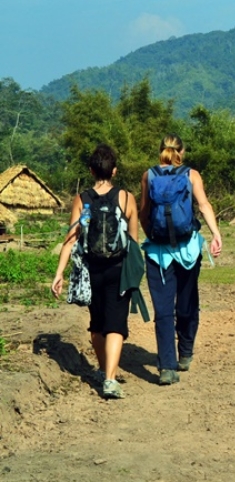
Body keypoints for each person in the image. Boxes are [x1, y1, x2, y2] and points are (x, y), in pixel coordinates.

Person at [51, 144, 138, 399]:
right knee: (116, 324)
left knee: (97, 324)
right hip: (118, 269)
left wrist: (59, 273)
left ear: (90, 170)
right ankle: (110, 379)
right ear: (114, 170)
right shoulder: (126, 197)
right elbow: (133, 239)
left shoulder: (81, 199)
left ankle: (102, 370)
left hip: (91, 270)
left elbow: (70, 239)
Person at [140, 134, 222, 386]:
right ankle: (185, 352)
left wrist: (151, 236)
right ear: (181, 152)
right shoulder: (191, 174)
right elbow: (204, 205)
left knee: (163, 310)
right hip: (187, 250)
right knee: (187, 302)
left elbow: (144, 211)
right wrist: (216, 234)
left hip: (158, 253)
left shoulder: (149, 175)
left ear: (160, 152)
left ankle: (167, 367)